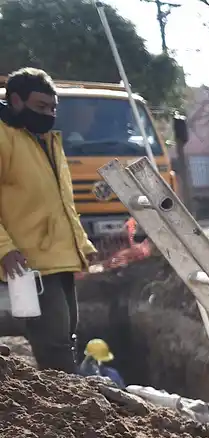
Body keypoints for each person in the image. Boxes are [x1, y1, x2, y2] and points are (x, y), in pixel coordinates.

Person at [0, 68, 96, 371]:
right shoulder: (4, 139)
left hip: (61, 258)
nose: (49, 114)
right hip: (29, 265)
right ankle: (71, 408)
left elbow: (61, 202)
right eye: (41, 106)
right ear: (16, 100)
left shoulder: (48, 141)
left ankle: (74, 400)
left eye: (53, 107)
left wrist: (82, 244)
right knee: (53, 340)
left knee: (67, 335)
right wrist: (4, 248)